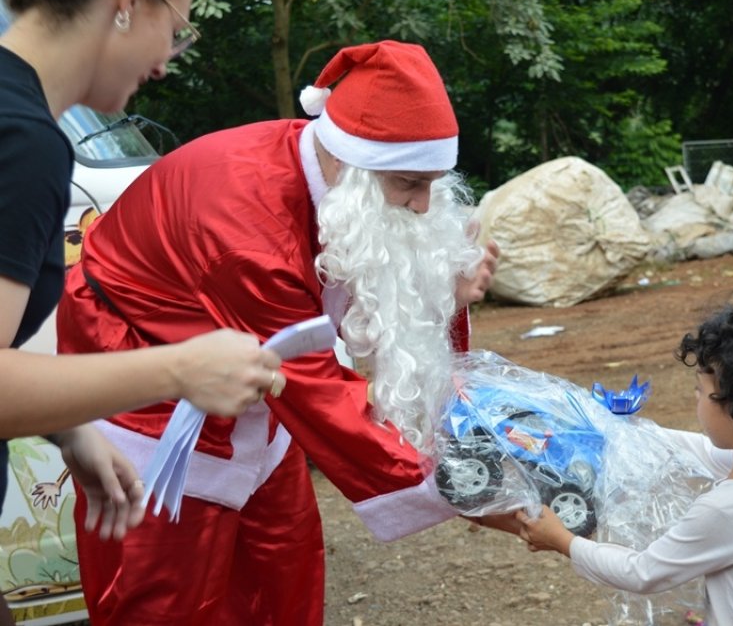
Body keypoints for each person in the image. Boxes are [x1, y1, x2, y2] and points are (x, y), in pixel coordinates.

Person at [56, 39, 500, 625]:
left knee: (281, 563)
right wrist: (469, 489)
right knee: (168, 590)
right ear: (352, 164)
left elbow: (351, 282)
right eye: (410, 185)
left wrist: (446, 289)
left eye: (430, 185)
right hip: (146, 380)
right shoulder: (246, 224)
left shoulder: (330, 164)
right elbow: (315, 387)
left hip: (249, 374)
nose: (422, 208)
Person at [0, 0, 282, 623]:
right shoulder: (23, 140)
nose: (163, 64)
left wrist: (70, 429)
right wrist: (177, 370)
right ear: (126, 2)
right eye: (176, 29)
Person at [516, 303, 733, 625]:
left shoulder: (729, 509)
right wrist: (617, 432)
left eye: (700, 390)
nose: (695, 397)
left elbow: (642, 572)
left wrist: (563, 540)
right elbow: (696, 450)